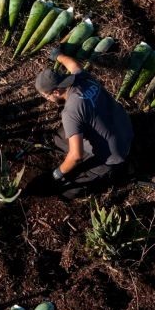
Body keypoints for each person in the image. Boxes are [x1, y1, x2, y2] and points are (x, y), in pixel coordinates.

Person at [32, 48, 134, 199]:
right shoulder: (82, 77)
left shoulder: (71, 112)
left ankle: (115, 169)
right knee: (59, 138)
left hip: (114, 153)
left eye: (46, 96)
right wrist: (58, 55)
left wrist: (56, 174)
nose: (46, 99)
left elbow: (76, 156)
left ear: (56, 92)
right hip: (126, 127)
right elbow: (73, 64)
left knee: (67, 192)